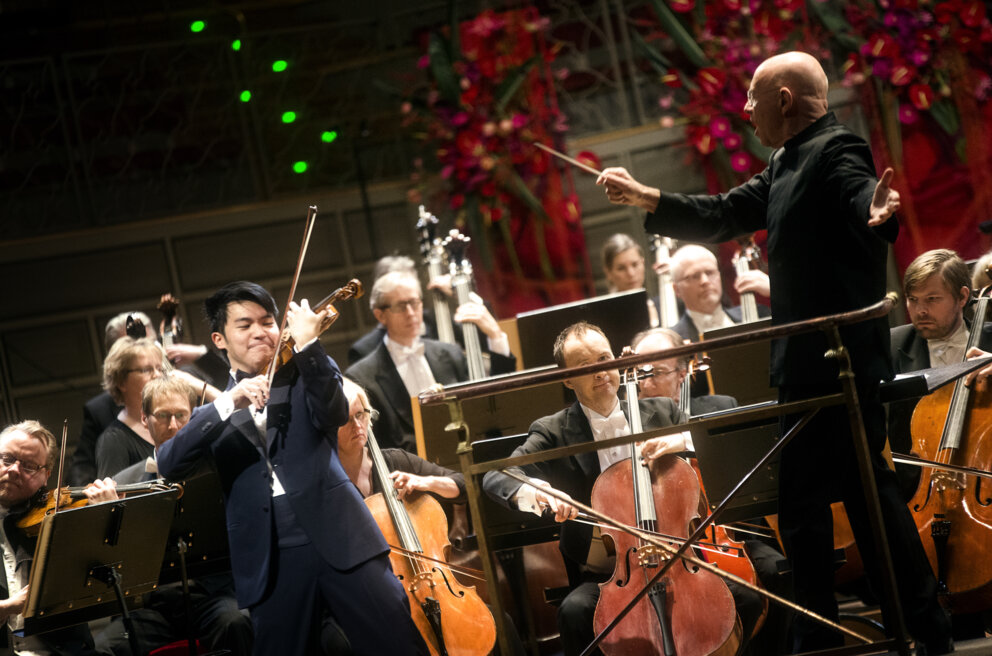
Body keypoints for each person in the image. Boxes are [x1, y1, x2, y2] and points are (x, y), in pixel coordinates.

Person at [596, 50, 952, 654]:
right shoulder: (784, 161)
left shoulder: (837, 149)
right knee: (831, 509)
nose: (744, 108)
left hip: (838, 369)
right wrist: (648, 198)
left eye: (753, 96)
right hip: (809, 372)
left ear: (784, 101)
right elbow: (722, 213)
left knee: (851, 507)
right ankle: (853, 633)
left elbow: (859, 194)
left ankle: (895, 632)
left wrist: (878, 214)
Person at [155, 281, 426, 656]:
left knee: (398, 643)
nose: (259, 332)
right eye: (244, 325)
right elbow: (170, 463)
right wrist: (228, 401)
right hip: (272, 556)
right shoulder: (217, 411)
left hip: (342, 537)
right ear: (219, 339)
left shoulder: (306, 374)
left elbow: (334, 410)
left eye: (267, 322)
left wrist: (310, 346)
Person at [484, 322, 756, 656]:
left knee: (748, 598)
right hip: (608, 575)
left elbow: (726, 440)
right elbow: (497, 476)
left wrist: (683, 439)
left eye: (604, 358)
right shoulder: (553, 431)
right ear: (567, 379)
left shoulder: (661, 411)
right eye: (586, 367)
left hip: (679, 562)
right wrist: (539, 491)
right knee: (574, 613)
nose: (601, 372)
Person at [631, 327, 793, 656]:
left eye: (656, 372)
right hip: (667, 544)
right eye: (640, 372)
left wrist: (688, 440)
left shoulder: (720, 405)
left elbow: (747, 455)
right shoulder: (631, 422)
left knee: (779, 572)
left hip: (731, 534)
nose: (645, 383)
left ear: (682, 374)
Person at [346, 272, 516, 453]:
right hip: (413, 473)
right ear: (380, 315)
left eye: (414, 303)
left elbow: (490, 404)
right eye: (401, 306)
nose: (411, 313)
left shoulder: (450, 353)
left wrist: (496, 336)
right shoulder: (361, 377)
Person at [0, 420, 115, 655]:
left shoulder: (59, 521)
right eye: (7, 459)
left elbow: (103, 587)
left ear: (46, 476)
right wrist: (8, 607)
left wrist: (104, 519)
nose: (13, 470)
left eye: (29, 466)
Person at [889, 249, 992, 499]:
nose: (920, 310)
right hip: (917, 492)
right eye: (913, 299)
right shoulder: (891, 346)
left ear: (962, 297)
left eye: (932, 299)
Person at [94, 337, 171, 479]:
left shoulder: (172, 424)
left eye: (159, 368)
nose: (158, 375)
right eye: (146, 370)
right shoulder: (113, 441)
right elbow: (114, 498)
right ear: (121, 381)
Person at [600, 233, 661, 328]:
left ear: (643, 263)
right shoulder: (605, 318)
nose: (631, 273)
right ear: (608, 273)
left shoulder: (665, 304)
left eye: (635, 264)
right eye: (621, 268)